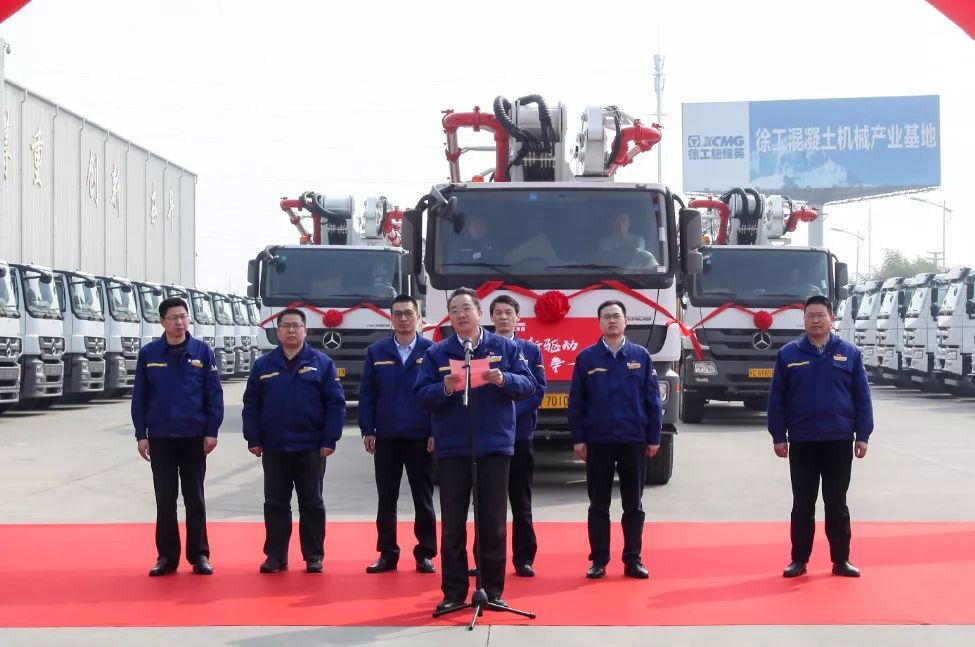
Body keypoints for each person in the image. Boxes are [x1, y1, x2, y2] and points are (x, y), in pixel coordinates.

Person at [414, 287, 535, 614]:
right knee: (453, 524)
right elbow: (421, 395)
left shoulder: (505, 347)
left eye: (466, 309)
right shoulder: (438, 353)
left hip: (494, 446)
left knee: (493, 523)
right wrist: (444, 388)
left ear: (480, 314)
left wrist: (503, 379)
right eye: (454, 310)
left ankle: (491, 590)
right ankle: (454, 592)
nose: (460, 315)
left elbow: (528, 386)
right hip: (453, 449)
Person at [767, 294, 873, 578]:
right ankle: (799, 560)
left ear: (831, 319)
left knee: (836, 503)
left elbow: (862, 397)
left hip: (839, 440)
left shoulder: (849, 353)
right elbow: (777, 399)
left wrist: (863, 435)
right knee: (802, 504)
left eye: (821, 315)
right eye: (810, 316)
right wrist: (778, 436)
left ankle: (841, 560)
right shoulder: (789, 354)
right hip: (803, 441)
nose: (816, 321)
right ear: (803, 321)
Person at [242, 307, 346, 574]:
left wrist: (329, 439)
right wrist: (253, 437)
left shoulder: (322, 363)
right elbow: (251, 404)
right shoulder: (264, 365)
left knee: (311, 503)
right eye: (286, 326)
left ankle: (313, 556)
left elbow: (336, 405)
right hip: (275, 446)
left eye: (296, 326)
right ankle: (275, 556)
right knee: (275, 503)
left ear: (305, 330)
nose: (291, 330)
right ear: (277, 332)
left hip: (311, 447)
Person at [568, 300, 662, 580]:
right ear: (599, 323)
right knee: (599, 504)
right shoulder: (587, 358)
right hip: (599, 441)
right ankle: (599, 560)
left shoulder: (641, 356)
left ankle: (633, 559)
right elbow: (576, 402)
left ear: (625, 321)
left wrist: (654, 437)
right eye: (606, 317)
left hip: (634, 439)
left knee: (633, 504)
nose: (611, 321)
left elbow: (653, 401)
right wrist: (579, 438)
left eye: (616, 316)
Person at [131, 296, 224, 577]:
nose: (180, 322)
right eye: (174, 317)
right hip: (160, 438)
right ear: (162, 321)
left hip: (193, 437)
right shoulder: (149, 354)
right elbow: (140, 397)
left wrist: (211, 431)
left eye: (183, 316)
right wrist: (141, 434)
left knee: (195, 498)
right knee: (165, 499)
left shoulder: (202, 352)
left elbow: (214, 395)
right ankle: (166, 557)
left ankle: (200, 555)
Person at [358, 295, 437, 575]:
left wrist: (435, 431)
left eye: (408, 313)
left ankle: (425, 553)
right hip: (387, 437)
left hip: (420, 437)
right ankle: (387, 553)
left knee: (423, 499)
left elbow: (438, 396)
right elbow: (367, 394)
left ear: (419, 317)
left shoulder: (432, 351)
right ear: (390, 318)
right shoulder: (377, 351)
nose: (403, 319)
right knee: (386, 499)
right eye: (397, 314)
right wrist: (368, 429)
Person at [489, 295, 546, 577]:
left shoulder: (530, 350)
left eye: (508, 312)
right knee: (488, 504)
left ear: (517, 318)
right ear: (491, 318)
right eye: (498, 313)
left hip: (519, 435)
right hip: (489, 437)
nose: (503, 317)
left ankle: (524, 558)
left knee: (521, 502)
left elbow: (538, 390)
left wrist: (509, 412)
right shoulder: (482, 348)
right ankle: (485, 557)